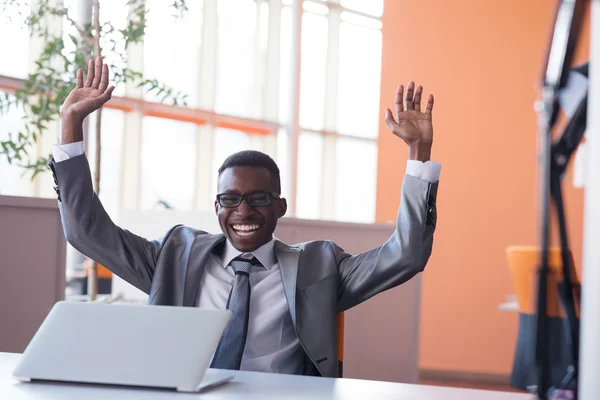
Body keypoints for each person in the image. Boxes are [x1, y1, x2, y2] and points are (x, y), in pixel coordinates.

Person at [50, 56, 441, 378]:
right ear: (217, 207)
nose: (244, 211)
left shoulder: (319, 265)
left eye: (258, 198)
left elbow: (404, 255)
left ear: (280, 207)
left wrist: (418, 155)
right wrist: (71, 127)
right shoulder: (174, 255)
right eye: (230, 199)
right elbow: (88, 233)